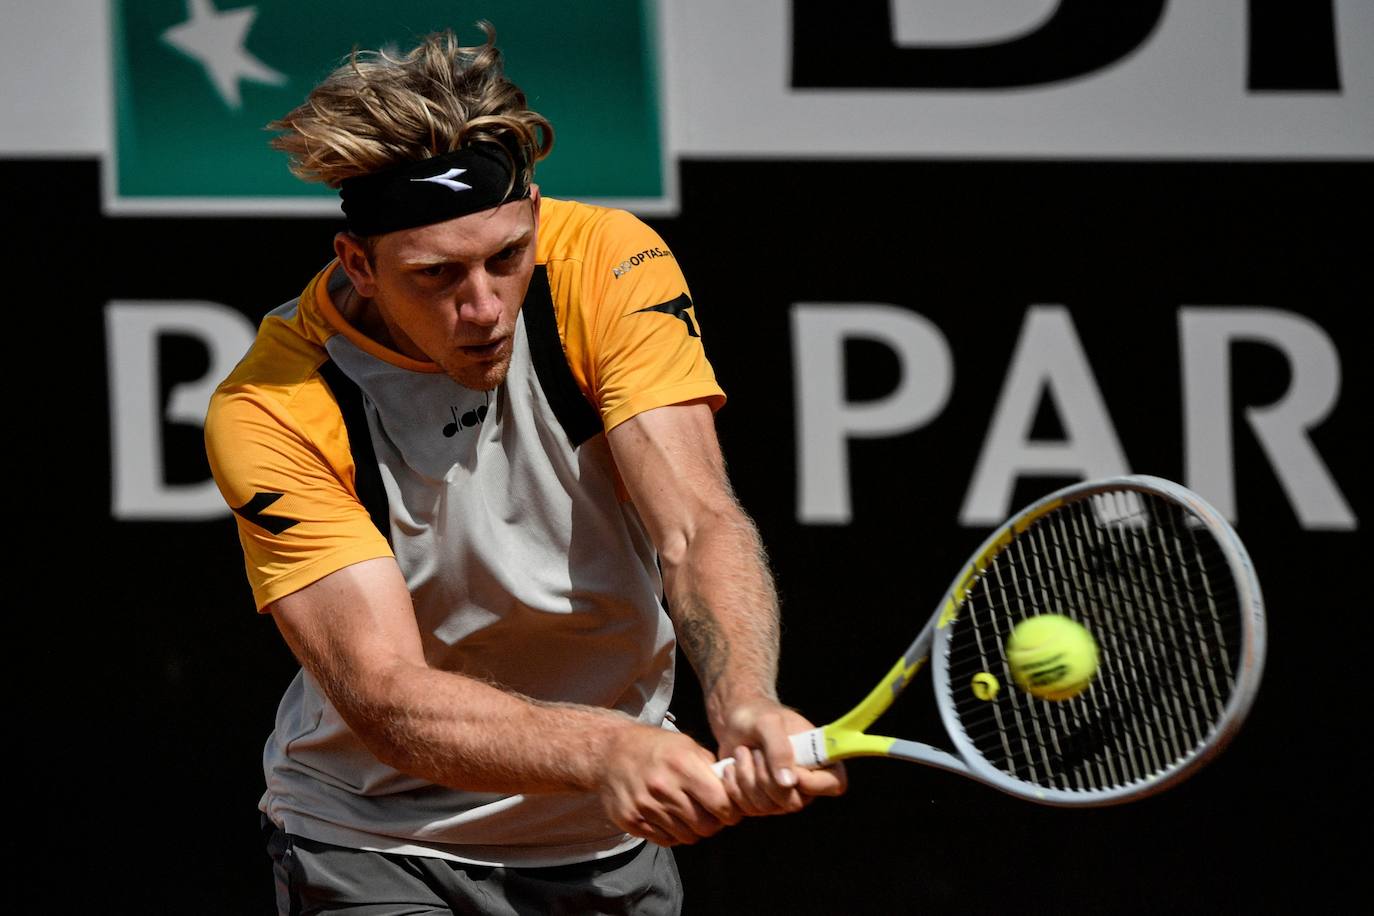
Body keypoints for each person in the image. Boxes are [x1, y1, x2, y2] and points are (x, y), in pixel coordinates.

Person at [205, 25, 844, 915]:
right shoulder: (272, 405)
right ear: (359, 264)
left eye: (507, 258)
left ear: (535, 218)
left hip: (606, 844)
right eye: (437, 277)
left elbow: (695, 523)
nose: (484, 309)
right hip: (376, 842)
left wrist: (743, 698)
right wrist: (608, 751)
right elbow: (385, 697)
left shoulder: (606, 265)